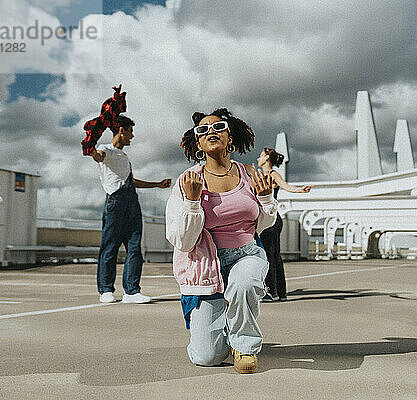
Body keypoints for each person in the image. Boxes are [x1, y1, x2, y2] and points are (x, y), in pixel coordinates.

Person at [165, 108, 277, 374]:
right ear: (198, 143)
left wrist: (266, 199)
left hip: (247, 253)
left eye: (218, 127)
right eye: (202, 130)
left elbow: (263, 224)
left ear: (230, 137)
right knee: (206, 357)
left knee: (244, 284)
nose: (210, 132)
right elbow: (182, 240)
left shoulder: (249, 173)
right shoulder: (188, 181)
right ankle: (221, 330)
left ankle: (245, 346)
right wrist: (192, 203)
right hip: (206, 264)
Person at [82, 85, 171, 304]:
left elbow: (131, 181)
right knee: (109, 247)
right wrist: (91, 150)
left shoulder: (124, 156)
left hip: (132, 203)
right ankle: (105, 290)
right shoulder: (107, 150)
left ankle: (132, 291)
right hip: (115, 203)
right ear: (121, 130)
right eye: (130, 131)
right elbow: (97, 156)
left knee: (134, 248)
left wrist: (157, 184)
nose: (133, 135)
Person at [257, 146, 312, 302]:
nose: (258, 159)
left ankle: (273, 291)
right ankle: (280, 293)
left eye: (260, 156)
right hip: (266, 219)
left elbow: (286, 186)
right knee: (271, 255)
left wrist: (301, 190)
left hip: (272, 220)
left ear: (267, 158)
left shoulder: (273, 174)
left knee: (270, 255)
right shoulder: (259, 175)